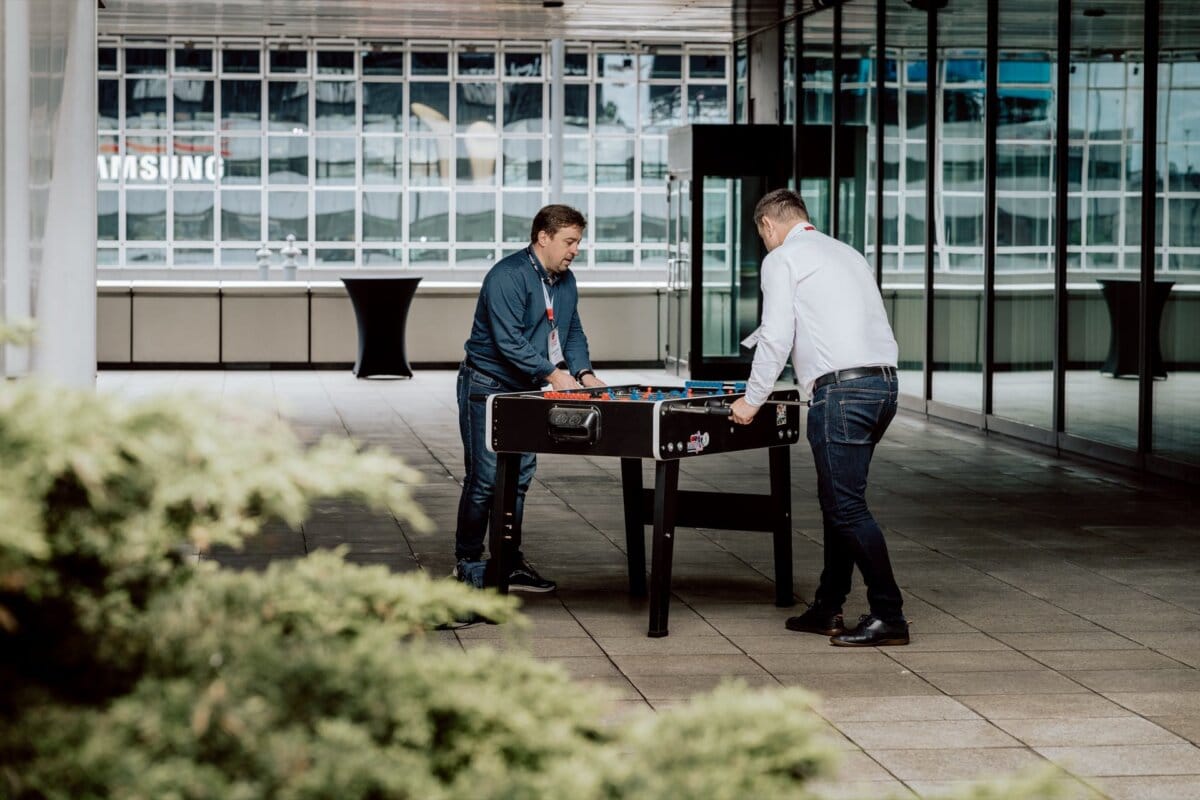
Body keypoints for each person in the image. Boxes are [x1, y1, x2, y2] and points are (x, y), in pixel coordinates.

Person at [729, 189, 908, 647]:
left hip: (842, 393)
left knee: (846, 507)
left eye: (762, 235)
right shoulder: (845, 253)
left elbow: (776, 335)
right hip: (883, 385)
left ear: (768, 225)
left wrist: (752, 399)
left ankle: (889, 615)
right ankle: (829, 605)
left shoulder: (783, 258)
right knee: (840, 501)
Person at [453, 204, 604, 593]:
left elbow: (571, 332)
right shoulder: (507, 276)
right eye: (569, 242)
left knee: (519, 478)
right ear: (543, 237)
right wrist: (555, 375)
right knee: (485, 480)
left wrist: (584, 373)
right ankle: (467, 562)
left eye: (578, 243)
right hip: (487, 385)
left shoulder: (565, 281)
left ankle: (507, 560)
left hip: (527, 388)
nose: (575, 250)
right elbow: (509, 341)